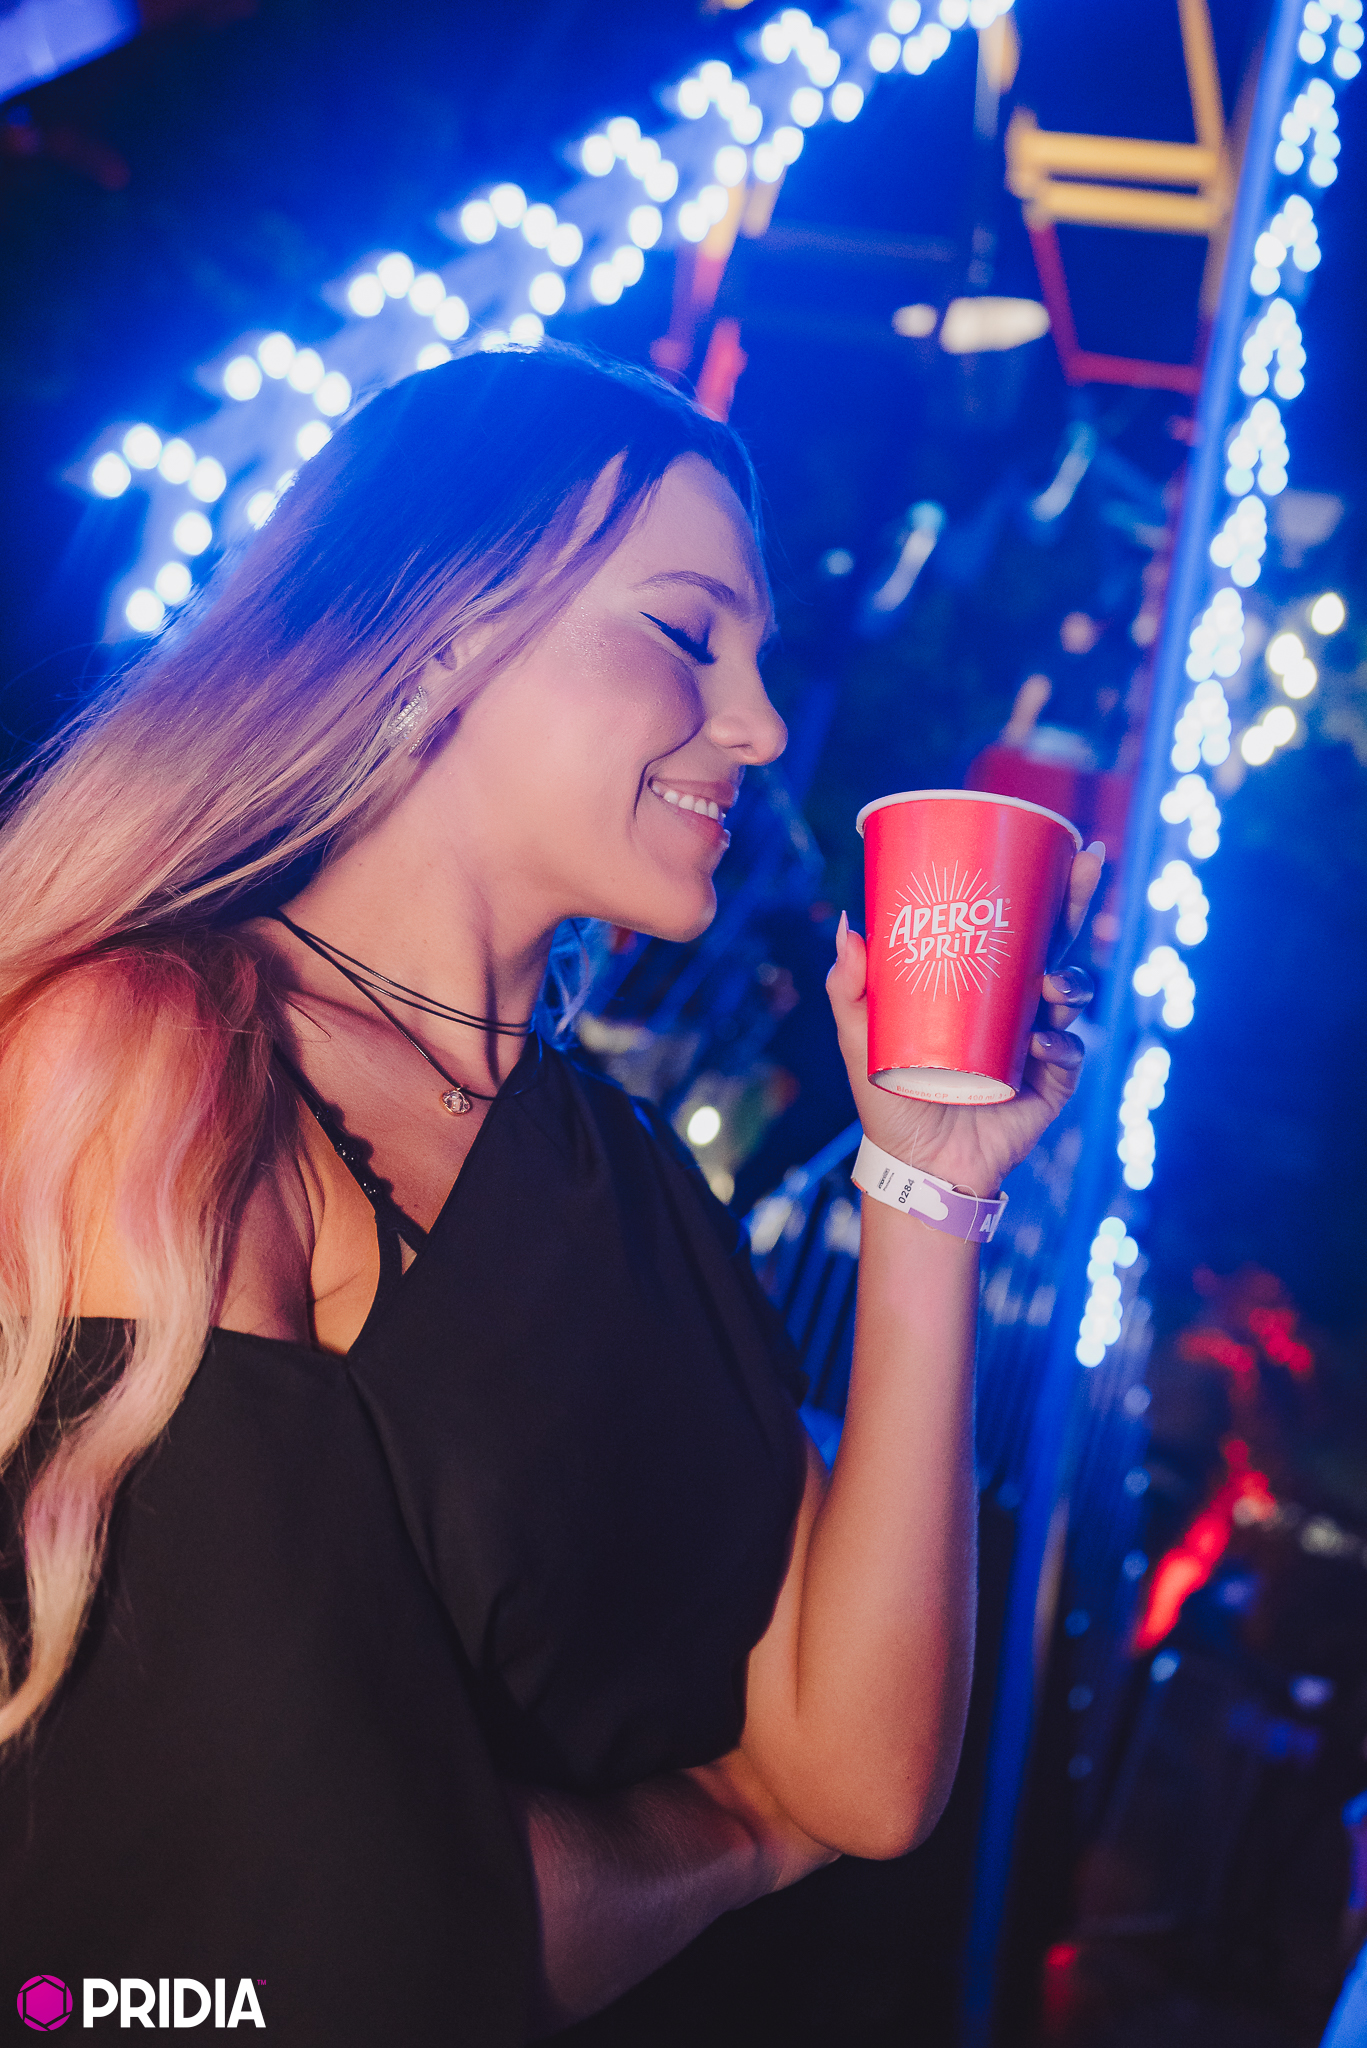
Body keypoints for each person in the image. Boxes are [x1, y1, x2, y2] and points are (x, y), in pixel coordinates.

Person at [0, 344, 1099, 2042]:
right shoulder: (167, 1060)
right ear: (443, 631)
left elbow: (870, 1774)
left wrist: (926, 1183)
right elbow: (301, 1936)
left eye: (756, 656)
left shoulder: (625, 1178)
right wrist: (740, 1832)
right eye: (686, 633)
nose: (761, 724)